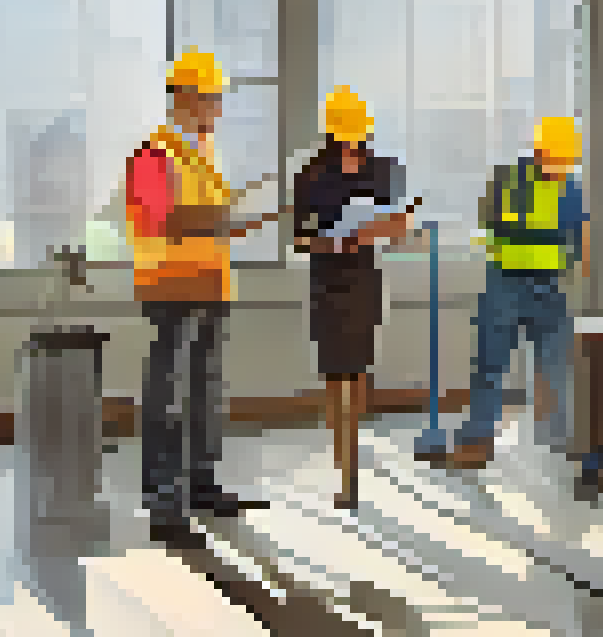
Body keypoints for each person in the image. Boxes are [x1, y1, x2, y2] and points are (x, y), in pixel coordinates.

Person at [123, 48, 277, 545]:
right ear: (186, 98)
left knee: (206, 389)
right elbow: (160, 219)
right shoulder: (153, 153)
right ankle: (162, 499)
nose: (219, 108)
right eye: (212, 98)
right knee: (167, 392)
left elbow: (211, 216)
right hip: (170, 284)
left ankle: (203, 486)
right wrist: (233, 219)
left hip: (211, 282)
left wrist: (242, 215)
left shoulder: (205, 153)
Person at [291, 87, 411, 509]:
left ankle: (352, 468)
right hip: (327, 281)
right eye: (343, 135)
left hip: (364, 280)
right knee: (333, 374)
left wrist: (377, 231)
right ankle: (341, 463)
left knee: (357, 371)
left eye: (355, 135)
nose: (350, 143)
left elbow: (402, 222)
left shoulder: (382, 169)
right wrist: (332, 244)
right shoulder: (311, 174)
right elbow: (301, 239)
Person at [453, 117, 588, 473]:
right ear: (541, 151)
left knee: (556, 367)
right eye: (557, 160)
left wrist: (578, 270)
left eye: (566, 162)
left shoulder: (570, 187)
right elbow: (485, 221)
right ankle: (479, 440)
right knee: (490, 365)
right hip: (506, 284)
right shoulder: (505, 179)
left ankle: (563, 444)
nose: (562, 168)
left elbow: (582, 235)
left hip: (549, 287)